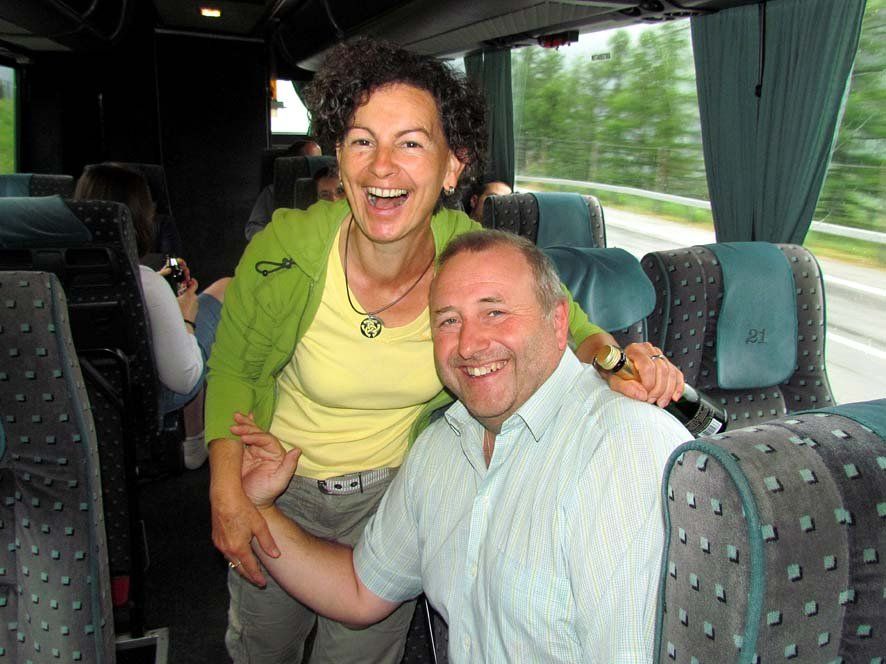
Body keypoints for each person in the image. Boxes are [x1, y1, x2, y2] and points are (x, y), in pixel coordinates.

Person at [205, 37, 683, 664]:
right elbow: (234, 369)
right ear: (339, 160)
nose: (382, 167)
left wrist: (620, 365)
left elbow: (569, 318)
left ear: (452, 167)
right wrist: (228, 491)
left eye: (410, 143)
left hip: (391, 489)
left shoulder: (466, 254)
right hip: (277, 474)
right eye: (362, 141)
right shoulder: (285, 249)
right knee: (263, 645)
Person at [231, 230, 691, 663]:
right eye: (449, 321)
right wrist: (260, 507)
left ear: (558, 323)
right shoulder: (441, 449)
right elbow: (359, 591)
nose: (469, 345)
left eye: (495, 313)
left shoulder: (624, 448)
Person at [74, 162, 231, 469]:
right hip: (145, 400)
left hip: (79, 397)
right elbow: (184, 378)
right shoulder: (146, 283)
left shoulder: (49, 275)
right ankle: (197, 440)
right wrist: (186, 317)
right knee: (225, 288)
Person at [245, 139, 323, 240]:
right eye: (311, 161)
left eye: (319, 161)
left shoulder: (329, 191)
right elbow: (252, 228)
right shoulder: (272, 192)